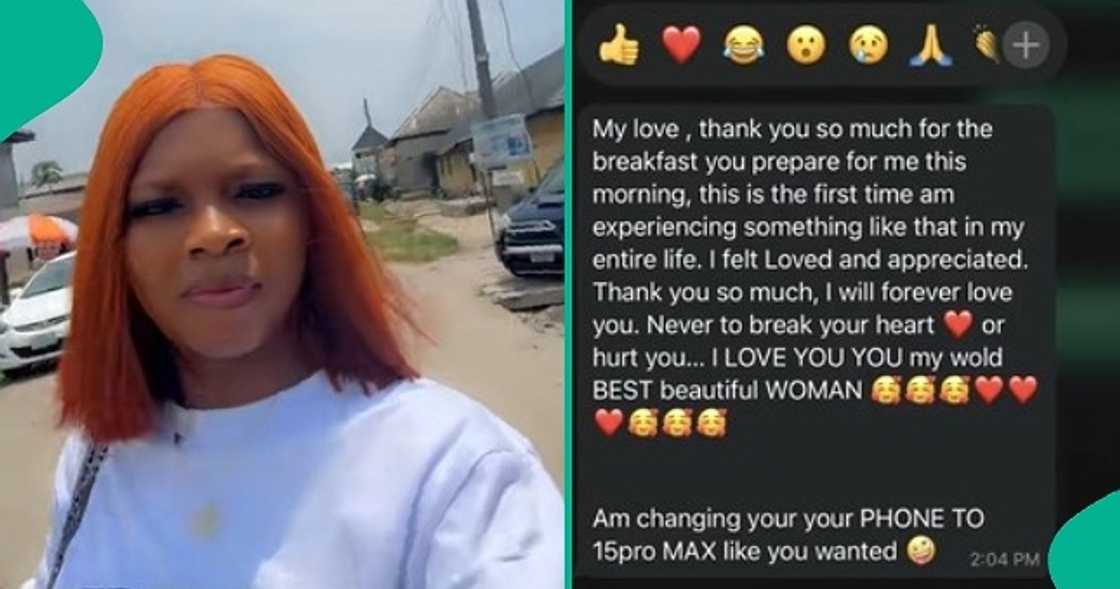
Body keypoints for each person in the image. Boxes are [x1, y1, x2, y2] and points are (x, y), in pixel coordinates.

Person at [23, 54, 562, 588]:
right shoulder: (96, 461)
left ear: (312, 219)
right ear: (115, 250)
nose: (214, 233)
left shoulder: (453, 471)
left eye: (255, 192)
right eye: (161, 206)